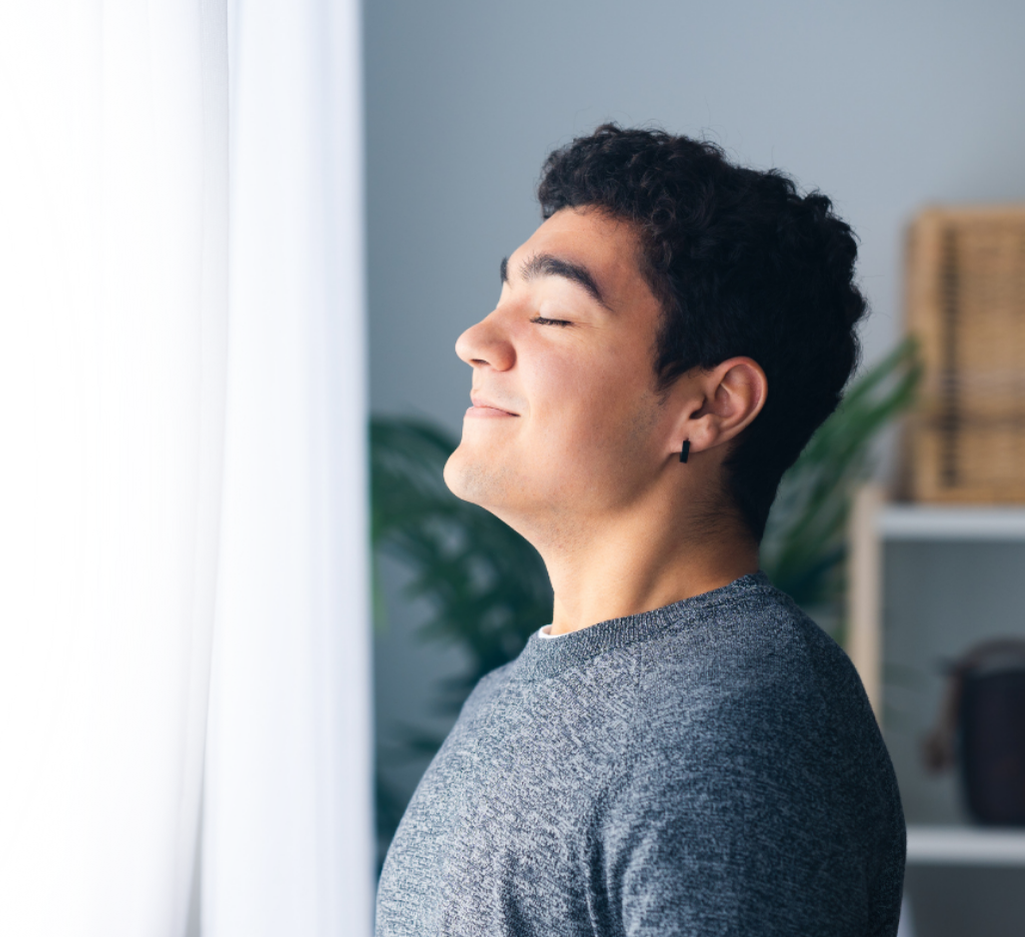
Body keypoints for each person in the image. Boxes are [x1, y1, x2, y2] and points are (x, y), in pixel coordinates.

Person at [374, 125, 906, 936]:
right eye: (502, 298)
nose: (473, 341)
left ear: (710, 405)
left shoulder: (735, 735)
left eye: (551, 315)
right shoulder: (513, 695)